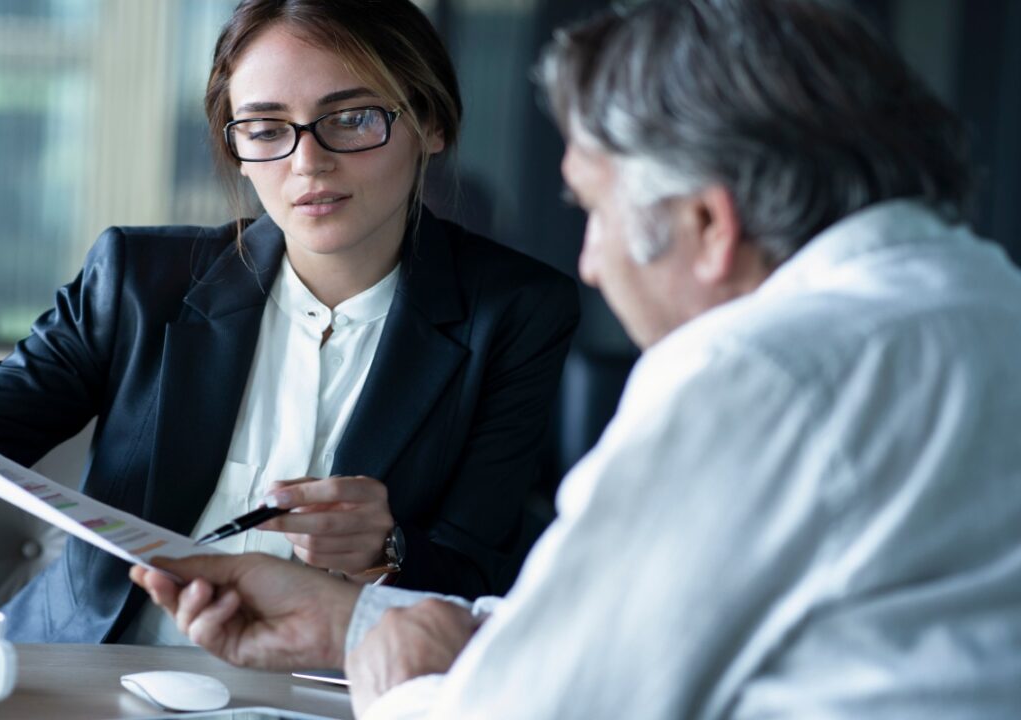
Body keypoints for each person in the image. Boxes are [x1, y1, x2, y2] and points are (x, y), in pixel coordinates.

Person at [129, 0, 1021, 717]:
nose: (589, 261)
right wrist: (356, 620)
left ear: (708, 226)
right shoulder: (985, 303)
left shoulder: (756, 374)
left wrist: (398, 688)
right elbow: (640, 631)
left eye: (595, 209)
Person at [0, 0, 578, 645]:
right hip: (91, 674)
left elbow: (486, 572)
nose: (306, 162)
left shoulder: (516, 311)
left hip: (333, 686)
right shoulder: (137, 280)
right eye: (264, 128)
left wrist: (387, 551)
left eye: (352, 118)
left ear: (430, 125)